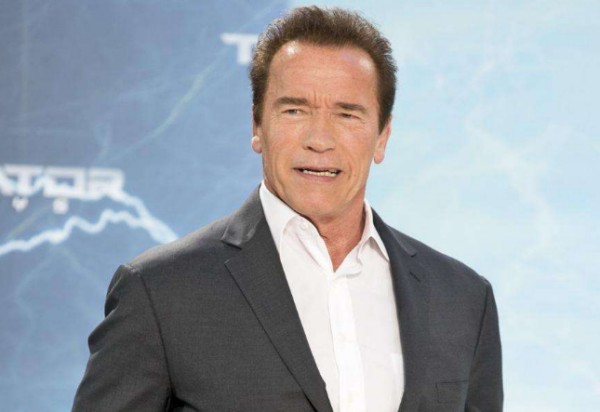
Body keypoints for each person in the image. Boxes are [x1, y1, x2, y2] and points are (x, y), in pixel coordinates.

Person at [72, 6, 503, 412]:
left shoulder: (463, 299)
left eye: (347, 115)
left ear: (382, 137)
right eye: (295, 110)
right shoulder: (160, 292)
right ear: (257, 125)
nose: (319, 139)